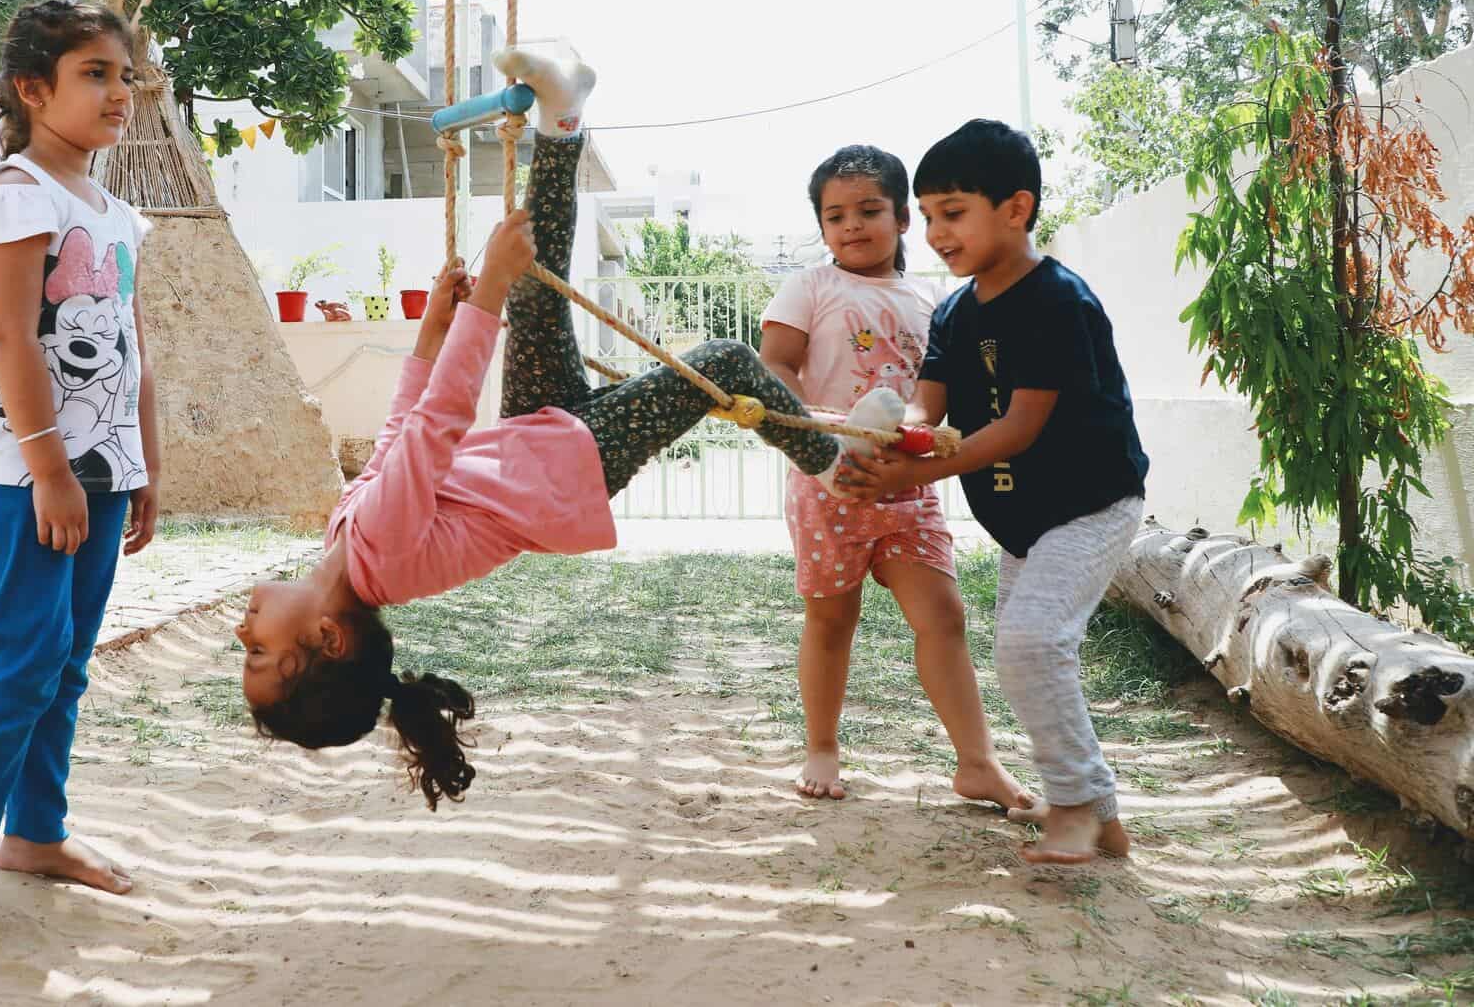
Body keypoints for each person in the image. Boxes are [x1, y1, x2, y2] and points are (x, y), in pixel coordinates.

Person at [236, 45, 891, 807]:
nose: (243, 632)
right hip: (574, 464)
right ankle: (835, 465)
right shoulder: (380, 549)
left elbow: (395, 440)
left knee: (537, 283)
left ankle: (563, 116)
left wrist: (431, 334)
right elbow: (435, 427)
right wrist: (484, 298)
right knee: (726, 361)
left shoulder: (349, 542)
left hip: (536, 431)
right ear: (329, 637)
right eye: (257, 652)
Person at [0, 0, 164, 970]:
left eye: (124, 74)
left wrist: (142, 463)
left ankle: (35, 834)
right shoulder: (19, 195)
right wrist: (52, 471)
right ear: (32, 89)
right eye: (95, 73)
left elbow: (132, 348)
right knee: (20, 659)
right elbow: (11, 339)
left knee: (66, 657)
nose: (119, 91)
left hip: (98, 469)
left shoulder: (113, 210)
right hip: (24, 471)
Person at [842, 118, 1149, 864]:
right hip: (1023, 519)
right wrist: (881, 437)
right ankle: (1105, 821)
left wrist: (911, 475)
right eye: (929, 215)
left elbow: (1017, 427)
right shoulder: (954, 312)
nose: (936, 233)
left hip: (1089, 505)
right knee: (1026, 654)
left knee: (1032, 643)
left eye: (953, 212)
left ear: (1016, 208)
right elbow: (927, 410)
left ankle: (1072, 804)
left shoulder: (1057, 301)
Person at [758, 145, 1028, 811]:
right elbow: (775, 364)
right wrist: (821, 444)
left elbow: (948, 393)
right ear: (822, 228)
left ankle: (977, 763)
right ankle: (822, 746)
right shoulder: (811, 286)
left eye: (869, 210)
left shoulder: (937, 300)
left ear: (904, 218)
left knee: (944, 615)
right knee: (831, 618)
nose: (852, 224)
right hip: (831, 481)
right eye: (835, 215)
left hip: (908, 482)